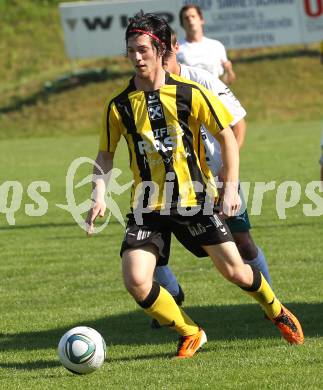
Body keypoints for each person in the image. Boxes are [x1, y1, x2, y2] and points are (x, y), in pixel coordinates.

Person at [86, 11, 304, 359]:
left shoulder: (189, 94)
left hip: (194, 200)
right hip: (147, 207)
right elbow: (105, 155)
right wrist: (98, 193)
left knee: (235, 272)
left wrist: (230, 187)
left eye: (143, 49)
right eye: (131, 51)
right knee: (135, 279)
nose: (137, 57)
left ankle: (274, 307)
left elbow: (227, 138)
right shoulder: (119, 106)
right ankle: (190, 331)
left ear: (160, 50)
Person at [152, 32, 273, 328]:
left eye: (166, 55)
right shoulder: (149, 91)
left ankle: (271, 301)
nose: (162, 62)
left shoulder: (201, 80)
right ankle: (171, 295)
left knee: (242, 242)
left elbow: (238, 124)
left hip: (216, 176)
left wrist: (227, 173)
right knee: (148, 246)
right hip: (173, 182)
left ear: (176, 49)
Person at [177, 4, 236, 84]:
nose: (190, 20)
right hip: (189, 95)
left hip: (213, 95)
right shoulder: (176, 48)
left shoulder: (216, 46)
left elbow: (228, 81)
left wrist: (228, 71)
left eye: (193, 16)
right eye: (186, 18)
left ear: (201, 20)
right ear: (182, 24)